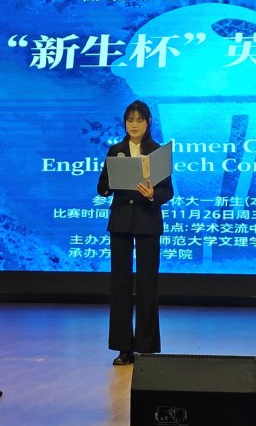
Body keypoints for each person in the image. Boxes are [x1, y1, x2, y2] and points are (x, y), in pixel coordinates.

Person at [96, 100, 174, 365]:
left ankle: (146, 345)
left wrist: (153, 194)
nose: (134, 125)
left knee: (147, 285)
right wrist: (109, 186)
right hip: (121, 223)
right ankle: (123, 348)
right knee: (120, 285)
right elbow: (102, 186)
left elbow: (168, 191)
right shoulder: (116, 150)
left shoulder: (157, 152)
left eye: (139, 120)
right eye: (130, 120)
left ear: (148, 122)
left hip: (148, 221)